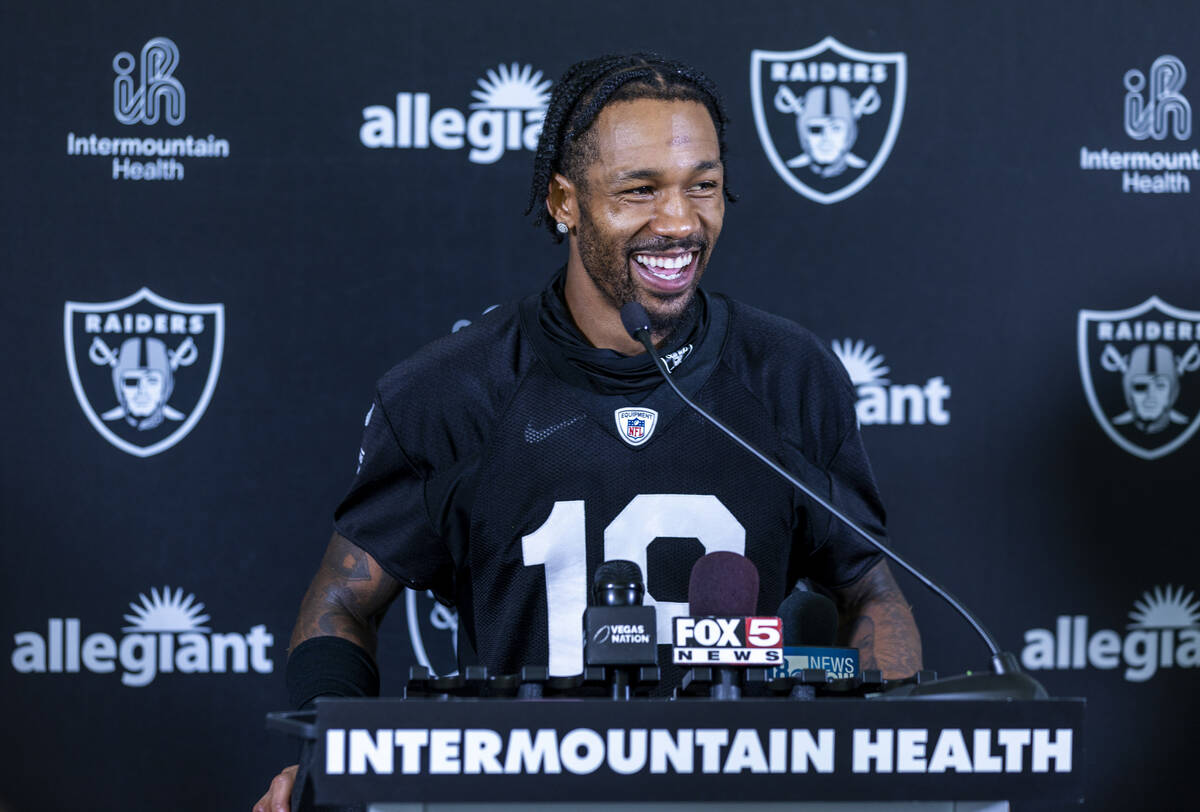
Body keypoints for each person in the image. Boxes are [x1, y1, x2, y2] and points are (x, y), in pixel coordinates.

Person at [254, 52, 922, 812]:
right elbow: (343, 601)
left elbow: (872, 592)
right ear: (565, 201)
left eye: (702, 186)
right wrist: (323, 760)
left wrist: (885, 760)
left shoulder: (791, 376)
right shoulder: (455, 391)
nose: (679, 222)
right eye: (640, 190)